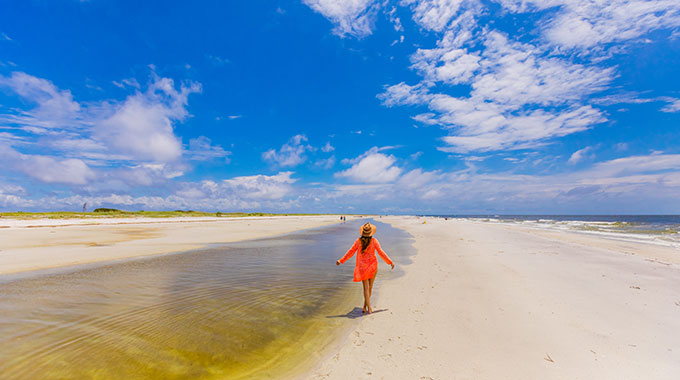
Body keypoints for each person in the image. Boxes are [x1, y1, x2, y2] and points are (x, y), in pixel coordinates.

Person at [336, 222, 394, 314]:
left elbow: (350, 252)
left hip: (363, 268)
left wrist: (341, 260)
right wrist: (389, 261)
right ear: (371, 232)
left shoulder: (358, 241)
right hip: (373, 266)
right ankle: (367, 307)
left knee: (366, 288)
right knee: (370, 287)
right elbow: (381, 252)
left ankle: (367, 307)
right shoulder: (374, 241)